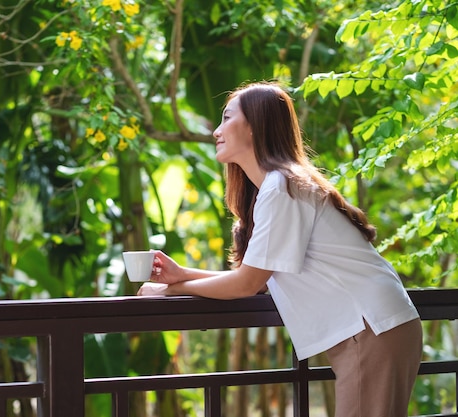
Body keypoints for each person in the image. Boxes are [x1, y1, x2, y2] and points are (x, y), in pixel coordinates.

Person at [137, 81, 422, 417]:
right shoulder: (282, 185)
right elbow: (255, 276)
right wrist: (182, 274)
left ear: (256, 126)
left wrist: (171, 289)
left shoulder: (281, 187)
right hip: (375, 328)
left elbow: (247, 284)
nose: (216, 131)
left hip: (370, 329)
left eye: (227, 118)